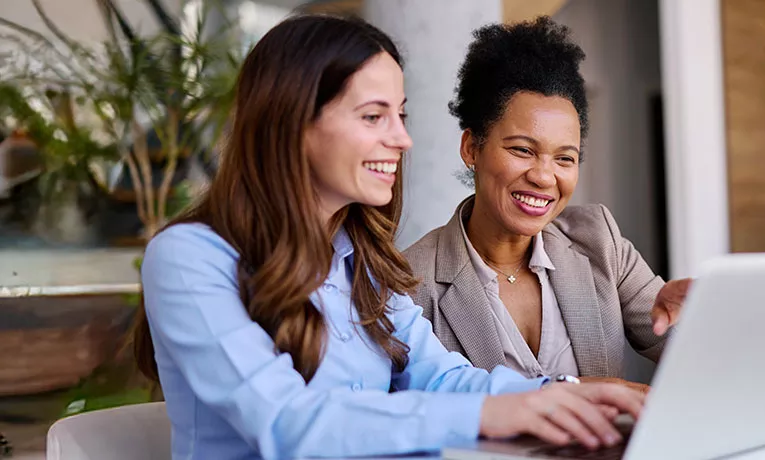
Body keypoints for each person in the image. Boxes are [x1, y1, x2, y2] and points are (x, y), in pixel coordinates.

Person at [131, 15, 646, 460]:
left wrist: (563, 394)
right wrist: (490, 413)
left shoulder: (365, 264)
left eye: (400, 116)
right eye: (374, 116)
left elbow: (442, 377)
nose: (401, 138)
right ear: (292, 122)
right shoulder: (188, 257)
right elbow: (286, 423)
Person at [403, 17, 692, 390]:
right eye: (523, 150)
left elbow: (696, 355)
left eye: (565, 158)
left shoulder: (600, 244)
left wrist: (697, 321)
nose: (544, 176)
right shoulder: (411, 283)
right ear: (471, 148)